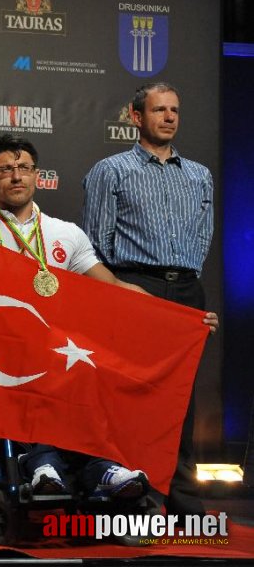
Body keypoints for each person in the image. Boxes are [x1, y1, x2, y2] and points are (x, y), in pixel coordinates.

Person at [0, 134, 161, 500]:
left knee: (86, 364)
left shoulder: (67, 234)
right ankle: (41, 462)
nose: (16, 176)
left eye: (23, 168)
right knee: (32, 364)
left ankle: (99, 466)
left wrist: (180, 317)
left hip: (58, 352)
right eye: (5, 169)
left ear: (38, 175)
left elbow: (112, 286)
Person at [82, 82, 218, 517]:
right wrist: (120, 290)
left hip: (185, 290)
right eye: (159, 109)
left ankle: (183, 496)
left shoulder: (199, 174)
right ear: (136, 116)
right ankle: (138, 494)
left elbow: (203, 234)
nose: (169, 117)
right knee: (134, 397)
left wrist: (186, 286)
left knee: (181, 396)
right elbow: (95, 243)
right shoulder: (112, 170)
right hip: (133, 285)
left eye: (174, 110)